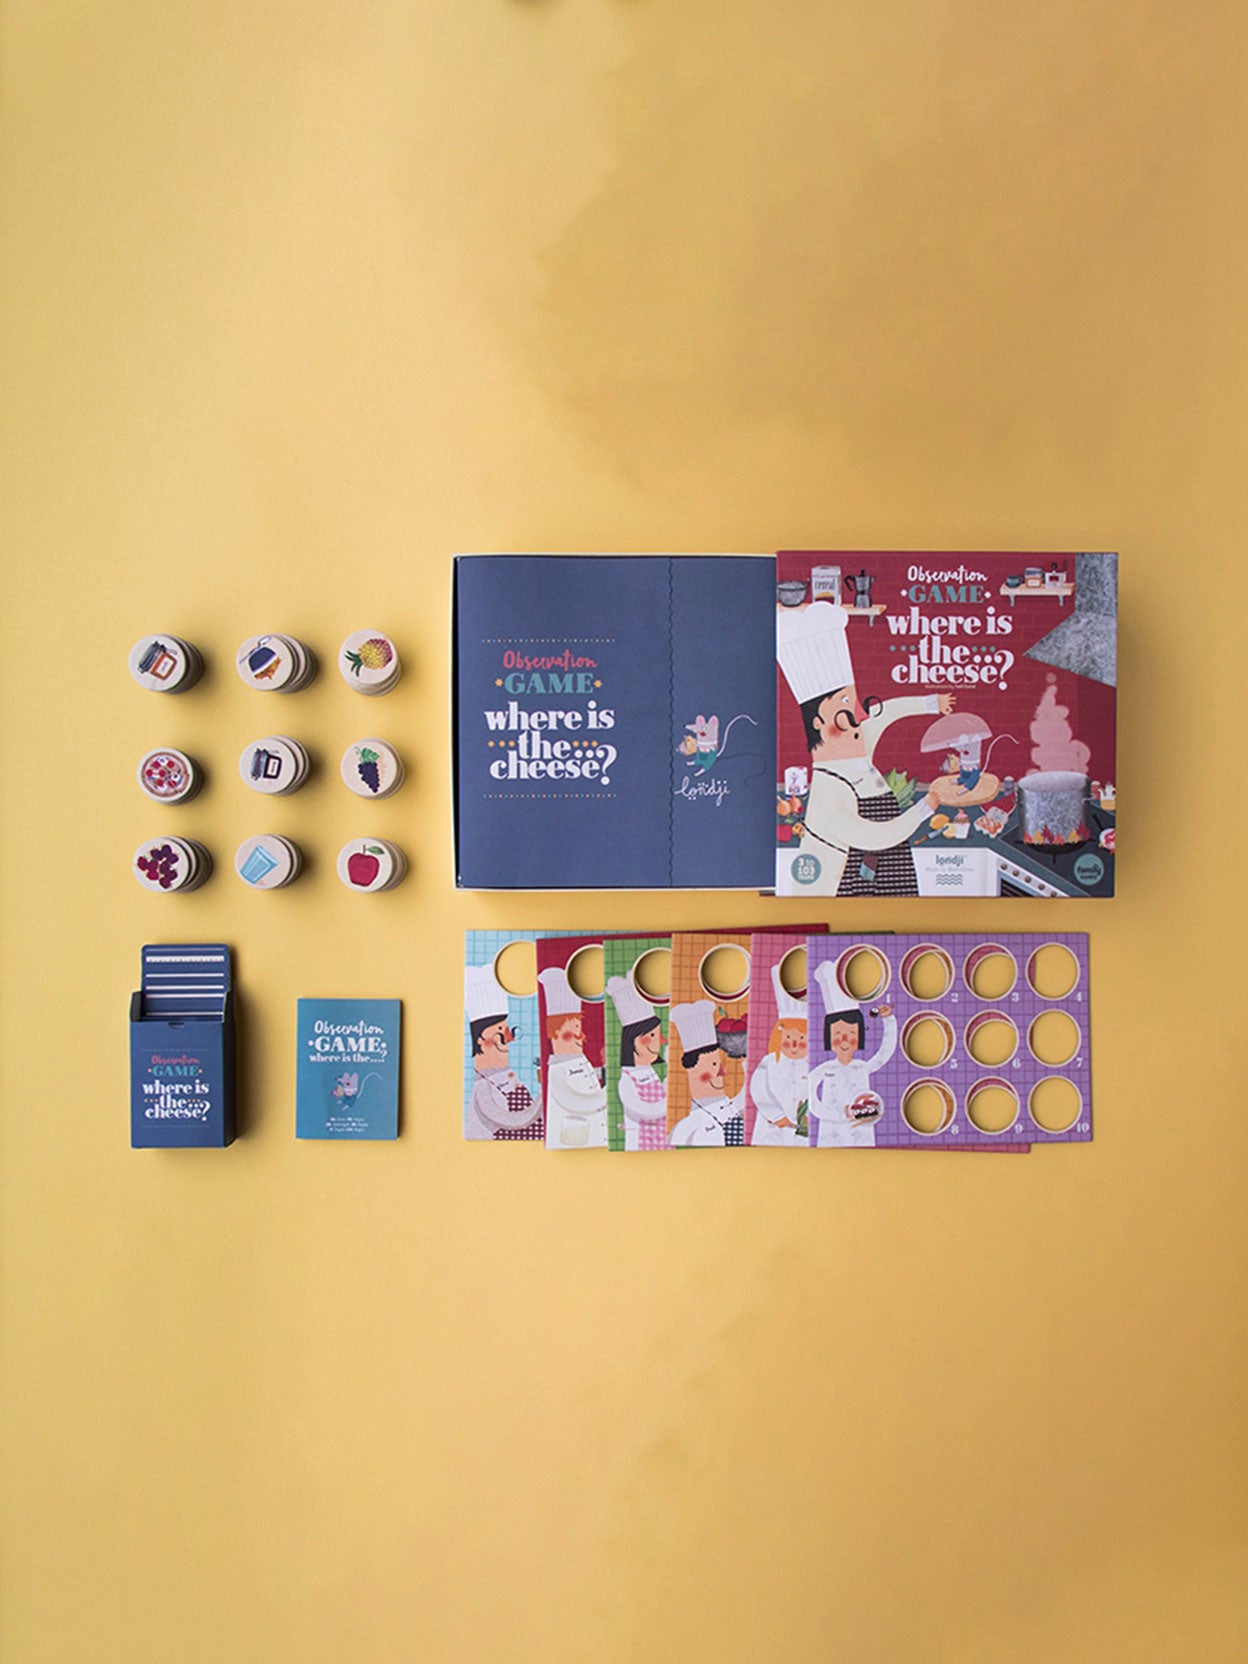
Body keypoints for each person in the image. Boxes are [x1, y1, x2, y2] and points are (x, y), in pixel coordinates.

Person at [777, 601, 959, 896]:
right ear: (819, 722)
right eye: (846, 703)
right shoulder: (829, 786)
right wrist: (923, 809)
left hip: (887, 867)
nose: (859, 714)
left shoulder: (854, 748)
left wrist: (930, 703)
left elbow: (883, 713)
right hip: (846, 885)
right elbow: (869, 836)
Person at [806, 959, 897, 1148]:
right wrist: (841, 1114)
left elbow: (885, 1052)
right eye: (838, 1034)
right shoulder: (823, 1070)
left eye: (852, 1034)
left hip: (862, 1137)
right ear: (828, 1038)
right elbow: (812, 1102)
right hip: (831, 1137)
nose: (845, 1040)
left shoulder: (861, 1067)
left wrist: (888, 1020)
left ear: (860, 1037)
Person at [464, 963, 542, 1140]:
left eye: (508, 1032)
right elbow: (515, 1121)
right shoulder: (483, 1088)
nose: (508, 1039)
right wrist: (544, 1094)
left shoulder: (506, 1075)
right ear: (480, 1040)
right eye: (500, 1033)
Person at [538, 966, 607, 1148]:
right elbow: (575, 1101)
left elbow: (588, 1073)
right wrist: (608, 1092)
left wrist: (606, 1070)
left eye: (579, 1031)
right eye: (569, 1034)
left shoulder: (578, 1058)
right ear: (555, 1036)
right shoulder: (557, 1071)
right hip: (576, 1133)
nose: (578, 1038)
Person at [668, 1001, 746, 1147]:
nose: (723, 1072)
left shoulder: (732, 1105)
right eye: (714, 1065)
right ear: (693, 1071)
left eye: (719, 1064)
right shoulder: (686, 1128)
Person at [748, 963, 809, 1145]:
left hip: (802, 1134)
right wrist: (777, 1116)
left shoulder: (812, 1064)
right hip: (771, 1130)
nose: (794, 1044)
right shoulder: (770, 1061)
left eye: (801, 1038)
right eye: (788, 1037)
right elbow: (758, 1089)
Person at [607, 974, 668, 1151]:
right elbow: (646, 1111)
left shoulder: (649, 1072)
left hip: (662, 1137)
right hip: (642, 1142)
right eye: (653, 1035)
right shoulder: (627, 1081)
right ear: (634, 1040)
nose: (661, 1041)